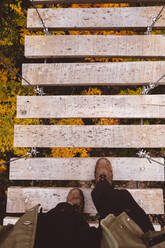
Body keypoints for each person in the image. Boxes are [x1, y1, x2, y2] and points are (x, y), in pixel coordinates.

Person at [91, 158, 154, 233]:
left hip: (112, 239)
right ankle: (103, 184)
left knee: (119, 196)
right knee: (124, 196)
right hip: (144, 239)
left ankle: (102, 184)